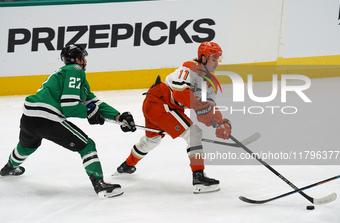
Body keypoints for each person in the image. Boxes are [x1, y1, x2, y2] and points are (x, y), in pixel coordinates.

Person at [0, 44, 137, 198]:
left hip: (28, 118)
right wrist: (89, 114)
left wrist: (118, 117)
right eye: (83, 57)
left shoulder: (65, 75)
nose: (85, 61)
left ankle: (9, 167)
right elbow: (69, 106)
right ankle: (100, 186)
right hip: (47, 119)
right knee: (87, 145)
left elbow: (94, 102)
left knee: (27, 146)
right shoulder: (75, 70)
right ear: (77, 59)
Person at [115, 42, 232, 193]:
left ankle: (126, 166)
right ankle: (199, 178)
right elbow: (179, 92)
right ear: (203, 58)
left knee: (152, 139)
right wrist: (199, 107)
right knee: (194, 133)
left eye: (218, 60)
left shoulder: (209, 83)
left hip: (160, 106)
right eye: (213, 59)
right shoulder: (189, 69)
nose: (216, 63)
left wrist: (220, 122)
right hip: (160, 104)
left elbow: (208, 110)